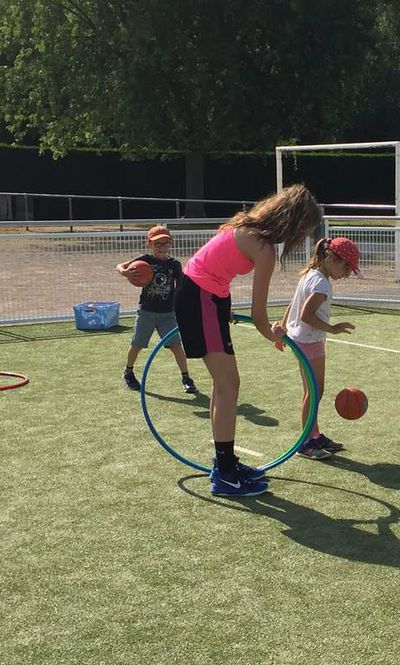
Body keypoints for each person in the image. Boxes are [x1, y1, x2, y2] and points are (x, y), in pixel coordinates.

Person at [174, 184, 322, 497]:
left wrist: (223, 309)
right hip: (201, 297)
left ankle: (225, 464)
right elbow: (258, 315)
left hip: (207, 296)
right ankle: (225, 474)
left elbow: (214, 265)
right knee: (229, 385)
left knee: (224, 384)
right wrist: (275, 335)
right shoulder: (263, 248)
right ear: (292, 223)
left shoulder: (243, 223)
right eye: (303, 230)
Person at [274, 236, 361, 460]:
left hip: (304, 339)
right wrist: (332, 329)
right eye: (346, 268)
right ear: (332, 259)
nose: (346, 275)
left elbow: (294, 303)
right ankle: (305, 443)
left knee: (313, 390)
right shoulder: (321, 284)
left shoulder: (312, 275)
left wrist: (284, 328)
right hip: (308, 341)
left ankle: (314, 435)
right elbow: (305, 314)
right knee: (314, 391)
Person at [117, 224, 198, 395]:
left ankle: (186, 378)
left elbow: (181, 286)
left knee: (176, 346)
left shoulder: (174, 264)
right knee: (137, 344)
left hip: (168, 314)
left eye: (165, 243)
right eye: (157, 244)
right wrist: (126, 273)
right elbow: (120, 266)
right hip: (146, 311)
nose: (161, 247)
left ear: (170, 245)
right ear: (149, 245)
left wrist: (185, 304)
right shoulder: (145, 260)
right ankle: (128, 372)